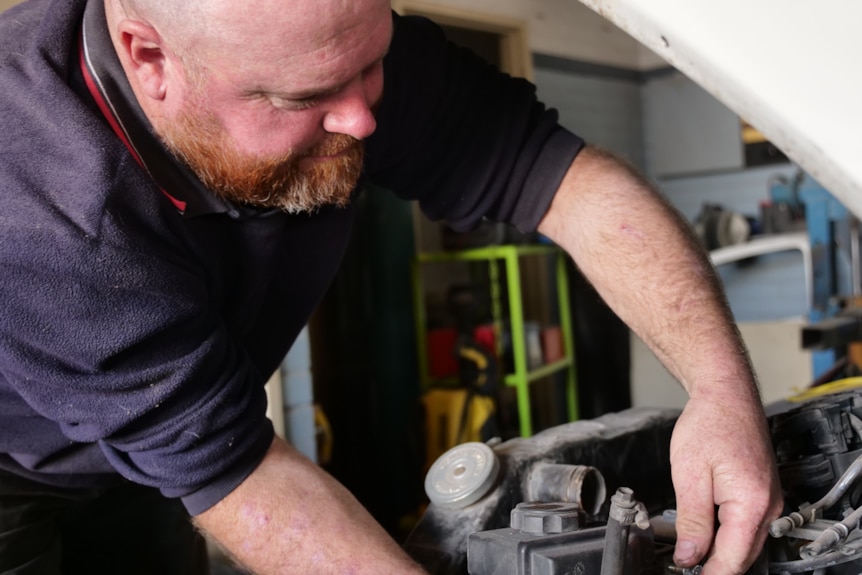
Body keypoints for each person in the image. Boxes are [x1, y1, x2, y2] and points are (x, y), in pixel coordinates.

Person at [0, 0, 782, 573]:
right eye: (306, 98)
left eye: (369, 64)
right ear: (148, 58)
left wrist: (720, 390)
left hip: (146, 462)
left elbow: (568, 183)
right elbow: (241, 475)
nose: (362, 118)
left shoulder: (324, 43)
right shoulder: (39, 210)